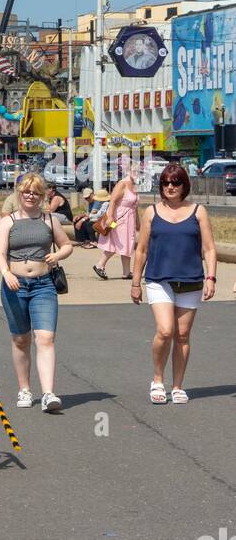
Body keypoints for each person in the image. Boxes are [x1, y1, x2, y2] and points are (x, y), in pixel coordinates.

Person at [131, 163, 217, 403]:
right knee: (165, 330)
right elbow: (141, 250)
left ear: (184, 186)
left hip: (191, 280)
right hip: (159, 279)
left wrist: (211, 277)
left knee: (182, 335)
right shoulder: (151, 212)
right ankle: (157, 380)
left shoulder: (198, 211)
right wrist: (135, 282)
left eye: (175, 182)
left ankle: (178, 386)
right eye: (166, 183)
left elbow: (209, 248)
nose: (170, 187)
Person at [0, 171, 72, 413]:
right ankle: (24, 389)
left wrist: (57, 254)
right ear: (20, 193)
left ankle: (48, 393)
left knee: (45, 338)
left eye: (36, 192)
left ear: (42, 196)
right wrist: (6, 272)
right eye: (26, 191)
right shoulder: (8, 221)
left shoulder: (50, 220)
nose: (30, 196)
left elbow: (68, 245)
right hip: (14, 284)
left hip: (43, 285)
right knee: (20, 339)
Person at [93, 160, 139, 280]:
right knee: (118, 242)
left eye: (139, 171)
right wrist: (110, 217)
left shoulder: (134, 185)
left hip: (129, 217)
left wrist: (138, 222)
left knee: (127, 243)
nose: (137, 173)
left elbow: (135, 206)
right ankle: (100, 265)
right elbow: (113, 200)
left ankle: (126, 272)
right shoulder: (122, 184)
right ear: (128, 171)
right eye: (135, 171)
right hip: (119, 217)